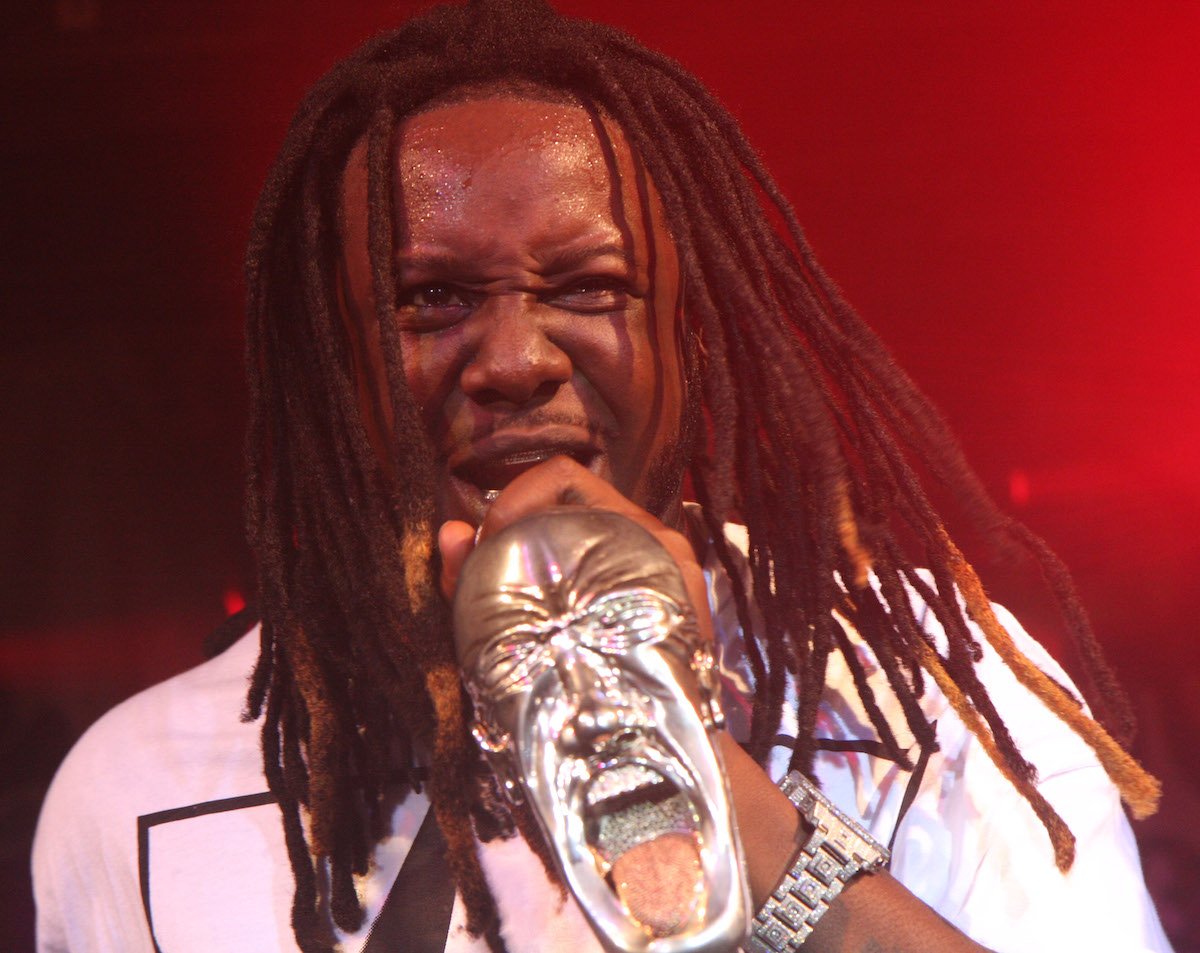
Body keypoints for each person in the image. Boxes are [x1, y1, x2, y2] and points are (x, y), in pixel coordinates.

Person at [33, 1, 1171, 951]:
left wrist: (686, 750)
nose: (519, 361)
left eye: (587, 286)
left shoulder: (927, 694)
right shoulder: (137, 782)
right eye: (430, 300)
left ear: (690, 337)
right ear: (336, 363)